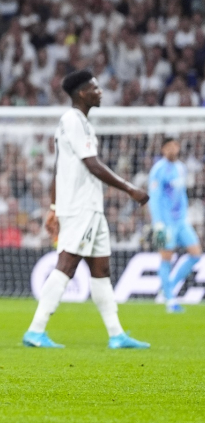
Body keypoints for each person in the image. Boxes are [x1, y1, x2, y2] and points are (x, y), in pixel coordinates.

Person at [23, 70, 151, 349]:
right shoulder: (73, 120)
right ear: (82, 93)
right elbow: (91, 164)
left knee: (101, 269)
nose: (100, 91)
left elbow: (60, 168)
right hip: (81, 207)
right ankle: (35, 330)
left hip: (90, 207)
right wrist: (130, 189)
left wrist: (53, 207)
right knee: (66, 265)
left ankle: (116, 335)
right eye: (95, 87)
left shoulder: (79, 122)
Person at [148, 137, 202, 313]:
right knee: (166, 258)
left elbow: (182, 194)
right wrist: (158, 224)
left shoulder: (181, 167)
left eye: (175, 146)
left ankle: (168, 286)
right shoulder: (158, 170)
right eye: (168, 147)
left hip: (181, 221)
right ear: (163, 149)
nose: (172, 149)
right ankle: (170, 301)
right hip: (165, 223)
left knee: (196, 254)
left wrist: (186, 215)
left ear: (178, 147)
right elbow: (154, 198)